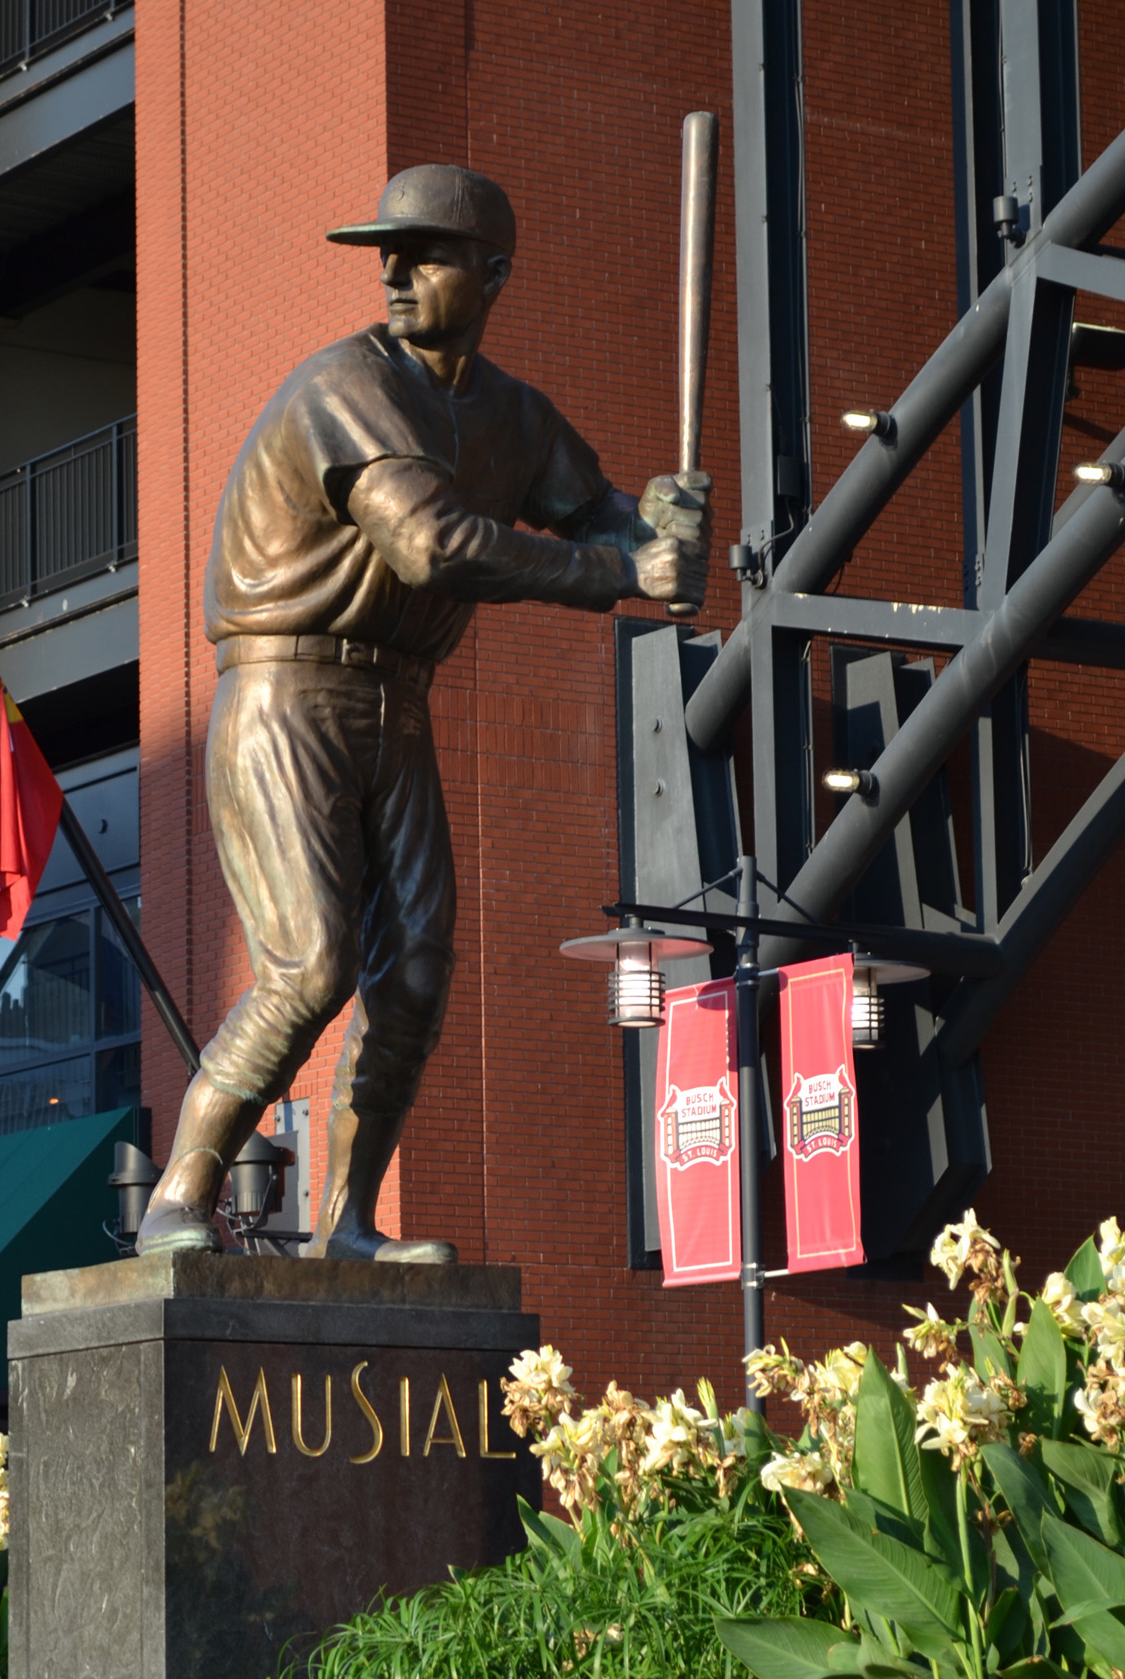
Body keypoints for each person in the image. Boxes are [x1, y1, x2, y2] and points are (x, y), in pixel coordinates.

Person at [137, 163, 711, 1263]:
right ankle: (179, 1191)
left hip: (397, 699)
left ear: (492, 274)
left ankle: (346, 1224)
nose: (394, 272)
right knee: (310, 965)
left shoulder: (511, 416)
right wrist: (621, 575)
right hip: (283, 689)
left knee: (415, 971)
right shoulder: (345, 385)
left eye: (425, 253)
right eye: (385, 253)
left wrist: (661, 522)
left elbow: (597, 510)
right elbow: (433, 545)